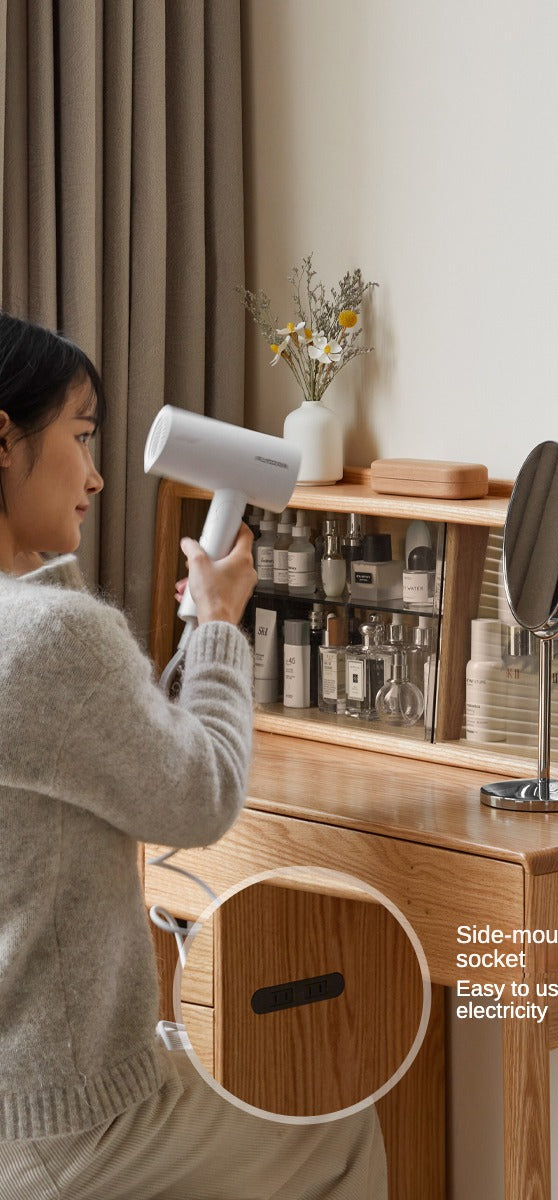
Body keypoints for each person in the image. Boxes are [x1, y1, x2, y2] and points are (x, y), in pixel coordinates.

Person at [0, 312, 386, 1199]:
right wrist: (218, 624)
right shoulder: (52, 637)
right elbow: (201, 798)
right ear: (4, 439)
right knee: (339, 1118)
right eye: (81, 436)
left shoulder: (36, 630)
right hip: (60, 1126)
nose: (96, 475)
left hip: (20, 1101)